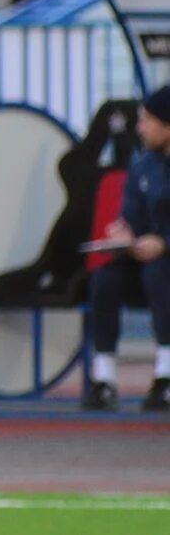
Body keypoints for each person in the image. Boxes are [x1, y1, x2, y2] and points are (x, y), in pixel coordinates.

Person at [83, 89, 170, 412]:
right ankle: (103, 378)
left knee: (160, 271)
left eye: (147, 121)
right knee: (105, 277)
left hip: (162, 264)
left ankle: (165, 377)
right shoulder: (142, 165)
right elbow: (130, 215)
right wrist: (123, 234)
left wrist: (163, 244)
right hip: (141, 258)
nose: (140, 129)